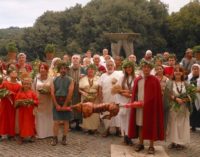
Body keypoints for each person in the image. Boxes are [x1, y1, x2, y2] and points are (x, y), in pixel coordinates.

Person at [128, 59, 164, 154]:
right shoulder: (138, 79)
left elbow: (157, 96)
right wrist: (135, 102)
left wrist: (148, 103)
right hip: (140, 107)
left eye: (148, 67)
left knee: (151, 125)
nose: (146, 69)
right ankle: (141, 143)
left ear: (151, 69)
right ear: (142, 68)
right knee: (140, 125)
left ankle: (151, 146)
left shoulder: (155, 80)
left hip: (151, 108)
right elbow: (134, 93)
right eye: (144, 67)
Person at [165, 66, 190, 150]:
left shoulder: (186, 83)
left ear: (183, 73)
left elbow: (191, 96)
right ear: (173, 73)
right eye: (176, 71)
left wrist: (184, 100)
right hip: (173, 107)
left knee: (181, 125)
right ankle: (173, 141)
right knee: (172, 124)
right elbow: (167, 94)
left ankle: (181, 142)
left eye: (180, 71)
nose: (178, 72)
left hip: (183, 107)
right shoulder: (170, 83)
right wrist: (176, 99)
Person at [51, 62, 74, 146]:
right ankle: (55, 138)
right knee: (56, 121)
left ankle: (64, 138)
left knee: (66, 121)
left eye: (64, 68)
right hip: (56, 100)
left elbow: (70, 93)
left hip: (66, 101)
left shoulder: (70, 80)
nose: (63, 70)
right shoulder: (54, 79)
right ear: (59, 69)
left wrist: (65, 105)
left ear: (67, 70)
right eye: (61, 68)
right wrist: (56, 104)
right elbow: (52, 93)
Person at [99, 59, 122, 137]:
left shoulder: (119, 74)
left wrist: (117, 83)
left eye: (111, 65)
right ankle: (107, 129)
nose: (109, 67)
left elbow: (122, 85)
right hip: (106, 97)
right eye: (108, 65)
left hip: (116, 97)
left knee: (117, 113)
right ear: (106, 66)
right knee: (106, 113)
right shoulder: (103, 75)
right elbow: (100, 87)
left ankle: (118, 129)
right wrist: (100, 97)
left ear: (114, 66)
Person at [115, 61, 135, 145]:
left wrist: (130, 95)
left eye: (130, 67)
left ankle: (129, 136)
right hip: (123, 101)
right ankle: (125, 137)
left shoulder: (136, 78)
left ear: (132, 68)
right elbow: (116, 89)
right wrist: (124, 93)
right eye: (127, 67)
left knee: (130, 119)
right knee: (123, 119)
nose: (128, 69)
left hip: (132, 101)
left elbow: (137, 90)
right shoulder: (122, 78)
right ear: (125, 69)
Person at [15, 72, 38, 144]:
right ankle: (21, 136)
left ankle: (32, 136)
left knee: (31, 124)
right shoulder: (19, 93)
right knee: (22, 124)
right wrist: (20, 102)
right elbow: (16, 102)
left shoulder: (32, 92)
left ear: (30, 84)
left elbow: (37, 101)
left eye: (27, 84)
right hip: (22, 112)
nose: (26, 85)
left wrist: (32, 102)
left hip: (30, 112)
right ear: (22, 84)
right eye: (25, 84)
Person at [33, 63, 53, 139]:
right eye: (41, 68)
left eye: (44, 68)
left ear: (47, 70)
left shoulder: (51, 78)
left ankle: (49, 133)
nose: (42, 69)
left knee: (48, 115)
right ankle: (40, 133)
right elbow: (33, 89)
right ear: (39, 69)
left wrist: (49, 92)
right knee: (39, 116)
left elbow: (53, 89)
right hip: (38, 100)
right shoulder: (36, 78)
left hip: (48, 100)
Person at [0, 68, 21, 140]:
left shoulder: (19, 85)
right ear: (9, 74)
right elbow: (0, 92)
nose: (14, 73)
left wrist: (13, 94)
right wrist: (5, 93)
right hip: (5, 103)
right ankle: (3, 133)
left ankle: (11, 134)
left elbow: (19, 95)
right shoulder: (5, 83)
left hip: (13, 104)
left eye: (15, 72)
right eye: (12, 72)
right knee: (4, 118)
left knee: (12, 118)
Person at [79, 64, 100, 134]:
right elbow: (79, 88)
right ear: (87, 71)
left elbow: (100, 88)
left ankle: (95, 128)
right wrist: (83, 93)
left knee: (95, 113)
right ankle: (87, 128)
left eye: (92, 69)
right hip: (85, 97)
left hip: (95, 98)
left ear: (95, 71)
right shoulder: (83, 78)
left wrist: (97, 94)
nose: (90, 71)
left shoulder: (98, 78)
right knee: (87, 112)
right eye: (89, 69)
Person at [69, 54, 85, 130]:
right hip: (70, 88)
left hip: (79, 89)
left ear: (80, 60)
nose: (75, 59)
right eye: (73, 58)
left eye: (77, 58)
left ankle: (78, 124)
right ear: (71, 60)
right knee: (70, 104)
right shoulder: (68, 69)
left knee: (79, 105)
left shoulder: (83, 69)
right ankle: (69, 122)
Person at [187, 64, 200, 132]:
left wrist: (196, 90)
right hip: (192, 97)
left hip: (199, 97)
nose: (195, 70)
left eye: (196, 69)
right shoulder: (189, 77)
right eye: (194, 69)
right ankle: (193, 126)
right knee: (193, 111)